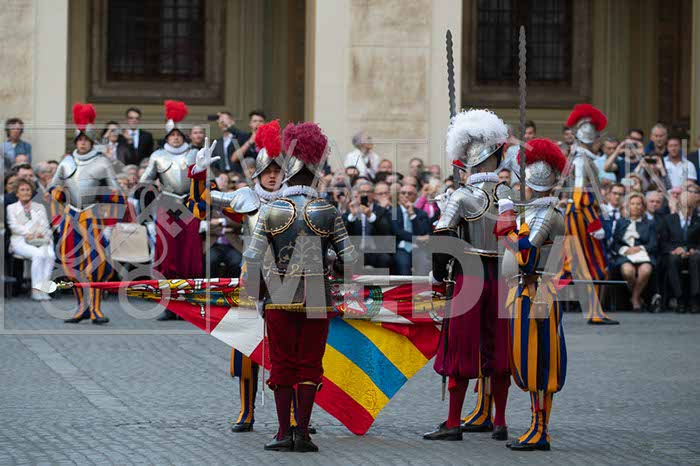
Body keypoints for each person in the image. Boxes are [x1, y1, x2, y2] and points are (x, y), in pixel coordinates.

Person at [243, 122, 357, 452]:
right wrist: (333, 267)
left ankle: (283, 432)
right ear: (315, 173)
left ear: (288, 173)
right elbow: (350, 259)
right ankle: (303, 432)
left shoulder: (272, 211)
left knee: (282, 363)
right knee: (309, 363)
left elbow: (252, 257)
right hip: (318, 294)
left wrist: (256, 295)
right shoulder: (327, 210)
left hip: (278, 293)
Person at [188, 120, 285, 433]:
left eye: (277, 170)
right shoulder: (246, 197)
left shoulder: (296, 200)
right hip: (251, 279)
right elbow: (201, 206)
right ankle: (246, 411)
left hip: (289, 280)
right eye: (267, 170)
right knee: (246, 349)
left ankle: (296, 414)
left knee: (289, 349)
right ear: (257, 173)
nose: (272, 175)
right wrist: (199, 174)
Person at [425, 109, 515, 442]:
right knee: (499, 347)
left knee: (459, 348)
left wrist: (438, 277)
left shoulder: (461, 196)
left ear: (469, 162)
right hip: (501, 276)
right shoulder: (507, 195)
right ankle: (500, 421)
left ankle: (453, 421)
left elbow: (442, 237)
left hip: (469, 276)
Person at [495, 138, 568, 451]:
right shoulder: (535, 211)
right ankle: (536, 426)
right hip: (525, 291)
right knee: (527, 359)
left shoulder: (546, 214)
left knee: (539, 363)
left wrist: (507, 222)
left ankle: (541, 430)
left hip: (538, 292)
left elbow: (525, 253)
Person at [51, 103, 125, 325]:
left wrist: (104, 198)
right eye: (79, 140)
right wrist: (58, 195)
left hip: (93, 216)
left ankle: (95, 309)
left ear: (92, 141)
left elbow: (116, 192)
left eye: (85, 139)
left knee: (96, 262)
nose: (82, 143)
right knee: (72, 262)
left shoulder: (102, 162)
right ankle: (81, 307)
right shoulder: (66, 162)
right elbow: (53, 188)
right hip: (71, 216)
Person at [139, 101, 203, 321]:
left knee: (189, 255)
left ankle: (188, 303)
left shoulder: (195, 153)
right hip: (167, 208)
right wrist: (153, 191)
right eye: (172, 135)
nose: (175, 138)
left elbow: (206, 182)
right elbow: (144, 181)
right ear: (167, 137)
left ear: (183, 136)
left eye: (178, 135)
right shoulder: (157, 156)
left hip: (189, 207)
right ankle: (170, 304)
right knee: (168, 257)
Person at [563, 104, 618, 324]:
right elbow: (580, 193)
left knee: (577, 266)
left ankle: (595, 311)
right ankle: (593, 312)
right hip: (580, 215)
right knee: (588, 265)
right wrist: (593, 223)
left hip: (580, 213)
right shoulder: (581, 159)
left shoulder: (582, 157)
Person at [7, 178, 55, 300]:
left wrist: (41, 234)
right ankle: (35, 290)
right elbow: (13, 226)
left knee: (50, 255)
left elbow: (45, 226)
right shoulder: (11, 208)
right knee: (38, 255)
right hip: (20, 240)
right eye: (22, 190)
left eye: (28, 190)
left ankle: (44, 289)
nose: (25, 192)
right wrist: (30, 233)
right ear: (17, 193)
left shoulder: (39, 207)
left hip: (40, 239)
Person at [657, 184, 700, 313]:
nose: (687, 209)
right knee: (672, 260)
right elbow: (662, 242)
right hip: (674, 253)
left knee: (696, 259)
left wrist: (695, 250)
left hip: (693, 254)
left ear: (694, 206)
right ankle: (679, 299)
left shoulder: (698, 221)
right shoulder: (668, 220)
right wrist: (674, 250)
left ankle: (695, 299)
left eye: (690, 206)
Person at [611, 193, 657, 311]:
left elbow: (653, 244)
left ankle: (635, 298)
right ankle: (638, 298)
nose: (636, 206)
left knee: (645, 270)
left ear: (643, 206)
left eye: (638, 204)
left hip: (644, 255)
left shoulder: (650, 223)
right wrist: (625, 250)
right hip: (626, 255)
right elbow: (615, 244)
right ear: (628, 206)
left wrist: (639, 248)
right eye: (632, 204)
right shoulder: (621, 222)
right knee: (628, 271)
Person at [343, 180, 392, 271]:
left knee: (385, 259)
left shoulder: (381, 210)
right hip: (356, 249)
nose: (365, 194)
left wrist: (370, 216)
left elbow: (386, 230)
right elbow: (344, 233)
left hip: (376, 249)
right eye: (362, 192)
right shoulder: (350, 209)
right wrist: (352, 216)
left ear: (373, 194)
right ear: (357, 194)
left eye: (368, 192)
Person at [390, 183, 430, 275]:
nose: (406, 195)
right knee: (403, 264)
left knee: (425, 262)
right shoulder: (392, 213)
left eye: (410, 193)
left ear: (415, 197)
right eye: (403, 193)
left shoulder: (422, 214)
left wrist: (412, 215)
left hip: (418, 248)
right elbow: (397, 232)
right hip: (401, 247)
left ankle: (421, 285)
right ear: (399, 196)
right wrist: (417, 238)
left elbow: (423, 232)